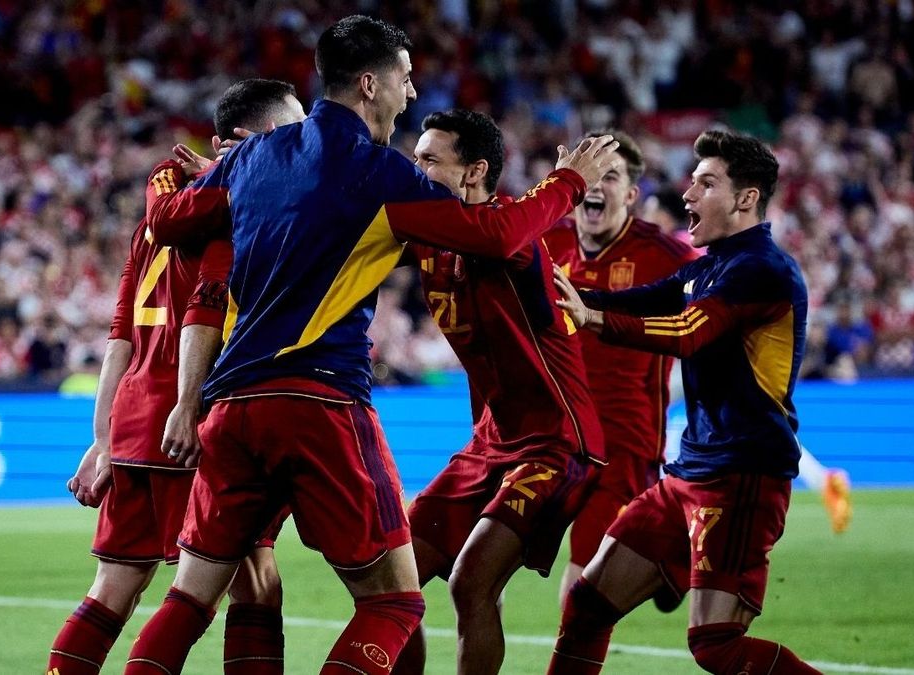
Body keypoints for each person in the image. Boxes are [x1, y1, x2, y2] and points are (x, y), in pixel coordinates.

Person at [124, 15, 619, 675]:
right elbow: (499, 235)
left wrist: (176, 173)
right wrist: (569, 183)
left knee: (190, 597)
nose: (411, 95)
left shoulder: (249, 158)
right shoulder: (381, 176)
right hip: (319, 404)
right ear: (369, 85)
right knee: (393, 603)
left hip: (230, 410)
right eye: (405, 79)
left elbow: (165, 219)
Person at [46, 79, 304, 675]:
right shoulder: (233, 211)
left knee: (114, 586)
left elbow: (120, 338)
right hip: (198, 425)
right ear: (252, 137)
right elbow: (203, 314)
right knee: (254, 585)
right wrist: (187, 406)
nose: (303, 142)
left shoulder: (154, 222)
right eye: (291, 129)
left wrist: (105, 438)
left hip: (136, 427)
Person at [549, 129, 821, 674]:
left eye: (705, 184)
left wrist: (593, 317)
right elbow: (633, 299)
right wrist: (563, 291)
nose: (687, 195)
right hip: (687, 474)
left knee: (715, 644)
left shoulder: (761, 269)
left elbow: (686, 332)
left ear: (746, 199)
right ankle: (671, 570)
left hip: (743, 473)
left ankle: (674, 573)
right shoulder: (707, 266)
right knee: (586, 606)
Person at [394, 110, 604, 675]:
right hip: (491, 443)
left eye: (431, 159)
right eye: (416, 157)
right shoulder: (429, 236)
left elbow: (502, 233)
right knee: (394, 585)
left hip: (555, 442)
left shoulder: (508, 231)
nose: (416, 169)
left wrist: (568, 183)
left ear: (474, 172)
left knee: (470, 583)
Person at [542, 130, 699, 608]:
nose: (598, 186)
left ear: (631, 195)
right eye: (592, 174)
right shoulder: (545, 242)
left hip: (623, 444)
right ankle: (665, 556)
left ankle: (664, 554)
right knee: (479, 561)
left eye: (611, 177)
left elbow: (715, 309)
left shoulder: (666, 258)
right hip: (553, 438)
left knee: (580, 592)